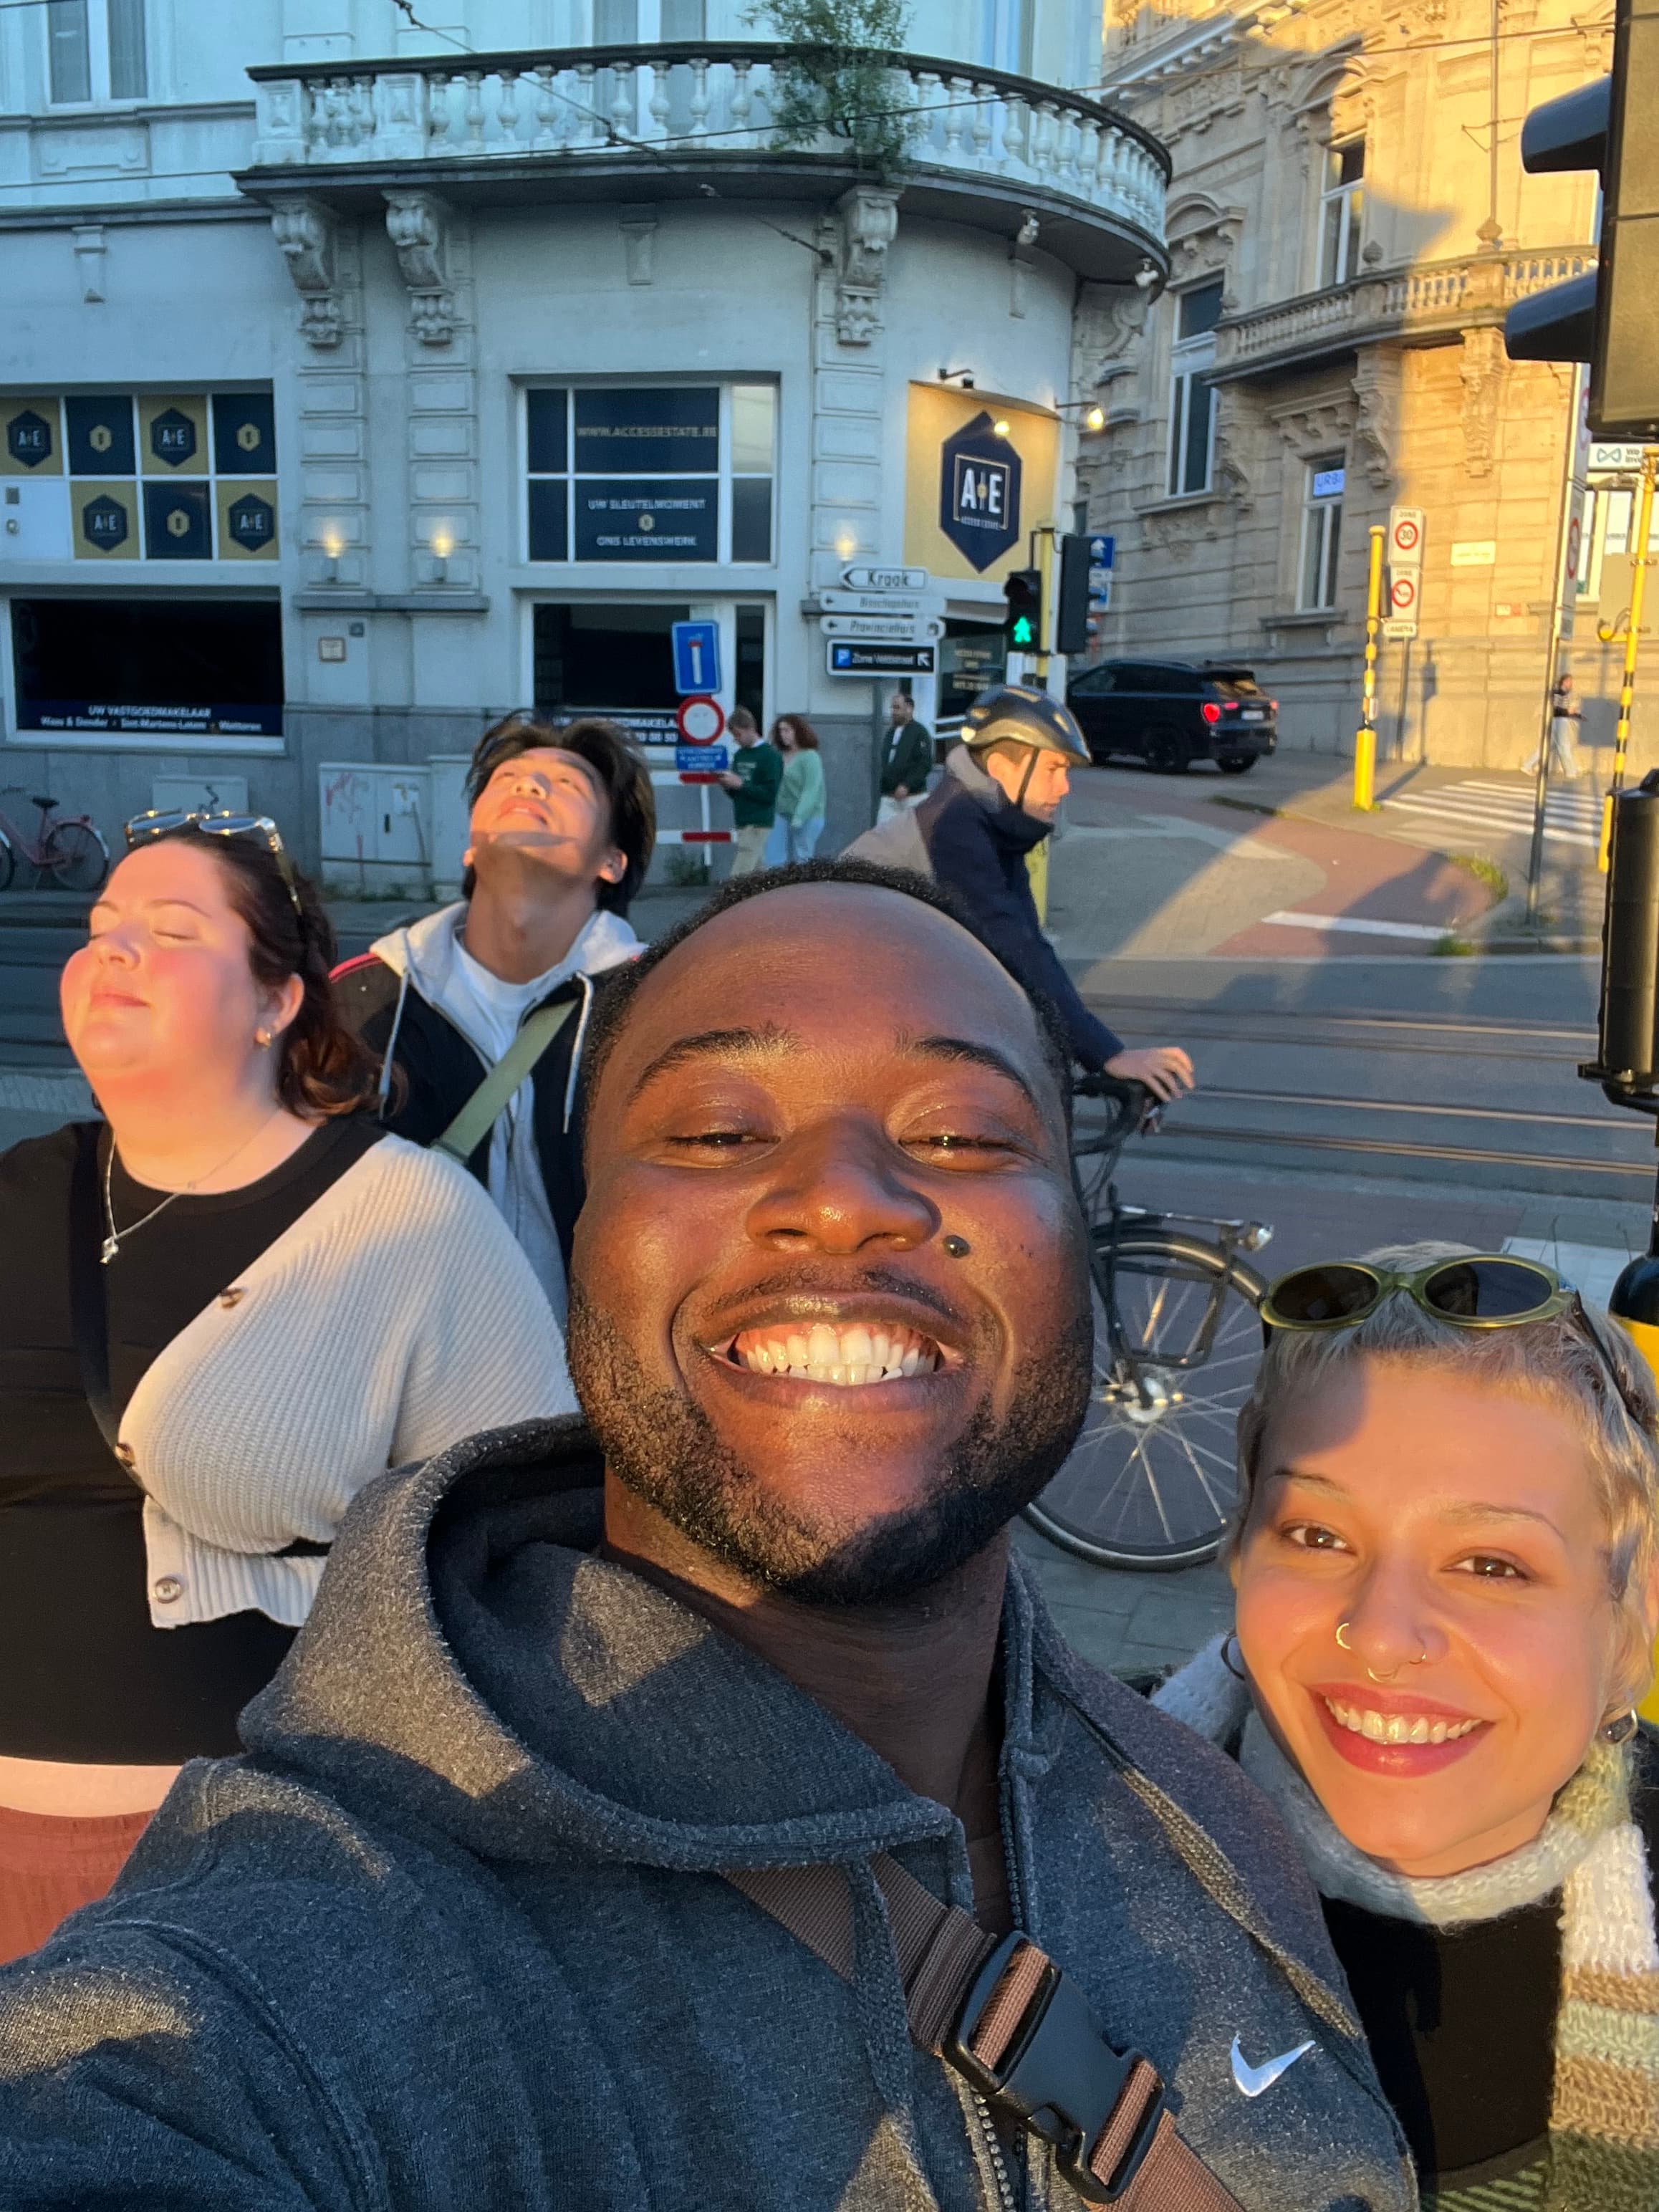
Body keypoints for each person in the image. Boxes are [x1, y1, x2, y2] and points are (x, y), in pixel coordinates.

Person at [0, 865, 1413, 2212]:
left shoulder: (1216, 1817)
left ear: (1074, 1242)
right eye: (720, 1132)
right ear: (585, 1249)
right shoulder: (310, 1948)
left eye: (965, 1132)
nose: (848, 1194)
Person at [0, 812, 574, 1966]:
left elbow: (539, 1549)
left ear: (277, 1002)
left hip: (241, 1883)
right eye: (100, 926)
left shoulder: (402, 1219)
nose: (112, 950)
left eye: (170, 929)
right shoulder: (24, 1190)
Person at [1153, 1241, 1659, 2208]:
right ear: (1239, 1556)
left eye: (1491, 1564)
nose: (1381, 1636)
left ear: (1630, 1610)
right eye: (1316, 1536)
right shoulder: (1037, 1833)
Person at [334, 711, 655, 1319]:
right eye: (508, 778)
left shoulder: (660, 1004)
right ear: (470, 843)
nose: (531, 787)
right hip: (416, 1392)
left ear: (611, 862)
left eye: (569, 786)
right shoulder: (362, 1001)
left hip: (596, 1394)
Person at [850, 684, 1194, 1100]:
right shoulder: (955, 823)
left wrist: (1099, 1056)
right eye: (1053, 769)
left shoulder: (994, 822)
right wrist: (1107, 1055)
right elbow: (1011, 949)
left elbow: (1030, 943)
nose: (1064, 786)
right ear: (1001, 766)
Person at [716, 704, 782, 876]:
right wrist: (727, 786)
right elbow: (737, 793)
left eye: (738, 734)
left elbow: (769, 794)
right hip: (743, 818)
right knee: (759, 870)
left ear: (751, 729)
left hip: (758, 820)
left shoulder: (770, 756)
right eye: (733, 735)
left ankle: (731, 899)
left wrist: (740, 785)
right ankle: (771, 897)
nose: (735, 739)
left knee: (740, 873)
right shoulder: (740, 755)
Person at [761, 713, 827, 867]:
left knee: (803, 857)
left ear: (798, 731)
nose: (783, 735)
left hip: (809, 815)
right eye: (780, 731)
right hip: (780, 812)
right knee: (773, 857)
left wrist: (799, 817)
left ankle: (803, 889)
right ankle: (774, 887)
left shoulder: (810, 757)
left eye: (787, 730)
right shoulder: (778, 756)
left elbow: (811, 790)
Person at [876, 688, 934, 822]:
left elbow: (925, 763)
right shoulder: (890, 733)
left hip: (913, 797)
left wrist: (907, 785)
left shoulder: (920, 732)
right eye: (892, 708)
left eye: (897, 708)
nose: (893, 712)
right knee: (883, 836)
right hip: (889, 797)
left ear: (909, 708)